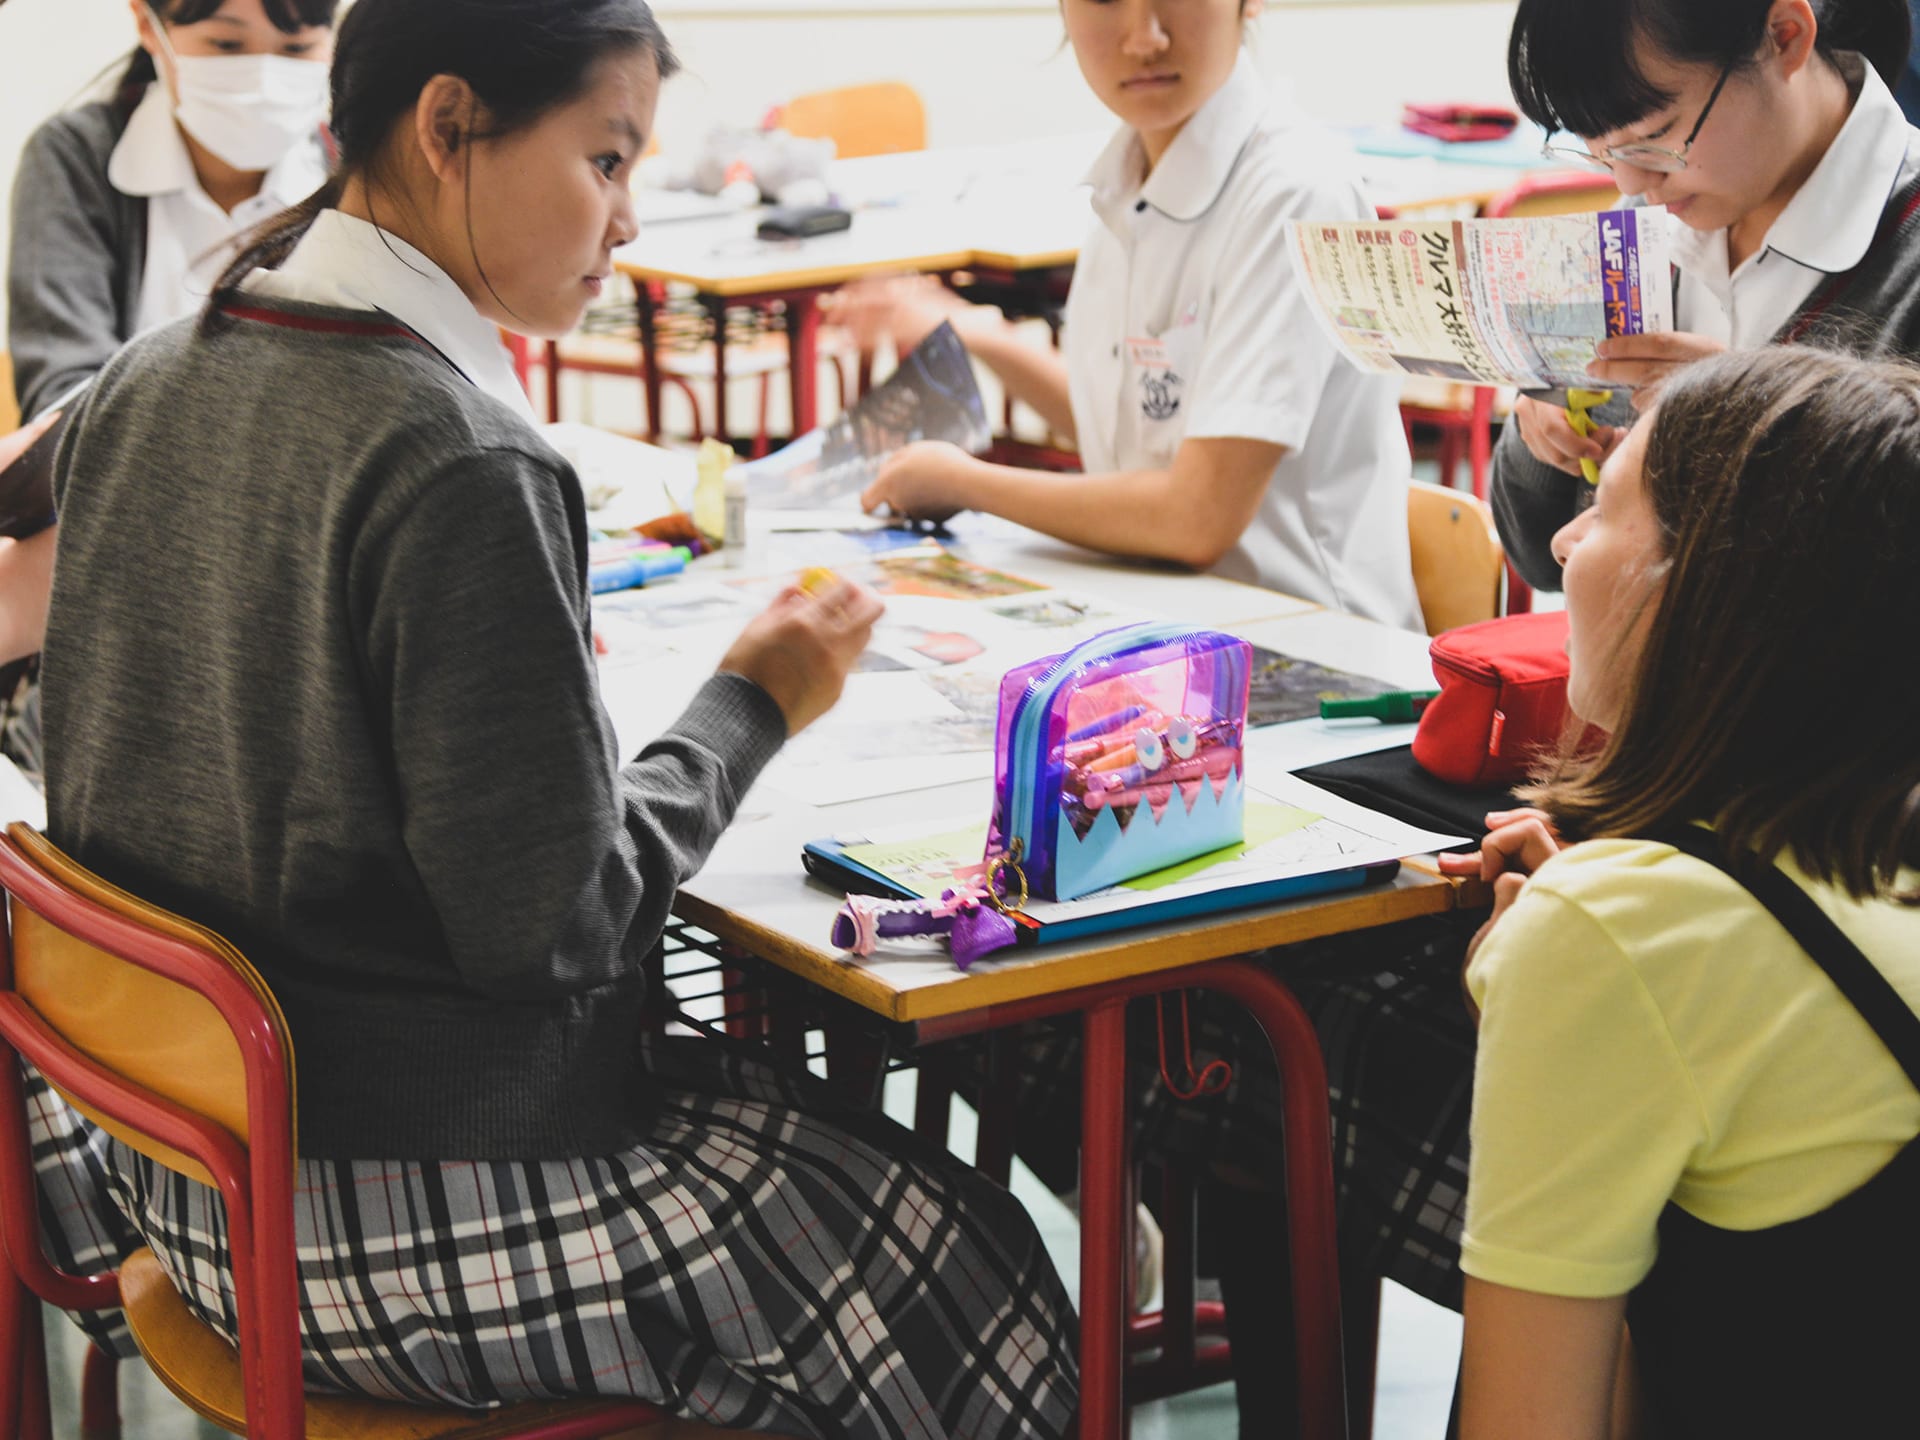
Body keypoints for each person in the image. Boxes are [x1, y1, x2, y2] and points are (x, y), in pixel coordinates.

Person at [23, 2, 1078, 1434]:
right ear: (449, 127)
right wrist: (750, 704)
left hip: (176, 1173)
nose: (628, 220)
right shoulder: (456, 458)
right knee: (969, 1261)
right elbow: (559, 932)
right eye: (605, 160)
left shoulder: (150, 376)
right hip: (377, 1203)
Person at [1455, 345, 1920, 1436]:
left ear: (1699, 586)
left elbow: (1534, 1423)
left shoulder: (1613, 931)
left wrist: (1567, 968)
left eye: (1605, 509)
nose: (1562, 541)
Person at [830, 0, 1423, 632]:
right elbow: (1130, 430)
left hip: (1320, 654)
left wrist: (965, 483)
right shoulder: (1129, 184)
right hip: (1175, 621)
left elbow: (1195, 517)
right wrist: (980, 333)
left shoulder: (1295, 193)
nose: (1145, 38)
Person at [1, 0, 339, 781]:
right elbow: (68, 409)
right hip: (126, 563)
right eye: (225, 43)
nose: (261, 74)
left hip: (300, 564)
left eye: (296, 48)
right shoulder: (77, 158)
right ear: (148, 27)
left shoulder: (354, 172)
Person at [1491, 0, 1920, 591]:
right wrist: (1543, 436)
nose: (1631, 182)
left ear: (1784, 37)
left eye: (1654, 136)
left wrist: (1758, 422)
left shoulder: (1905, 254)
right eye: (1599, 149)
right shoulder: (1648, 226)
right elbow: (1540, 557)